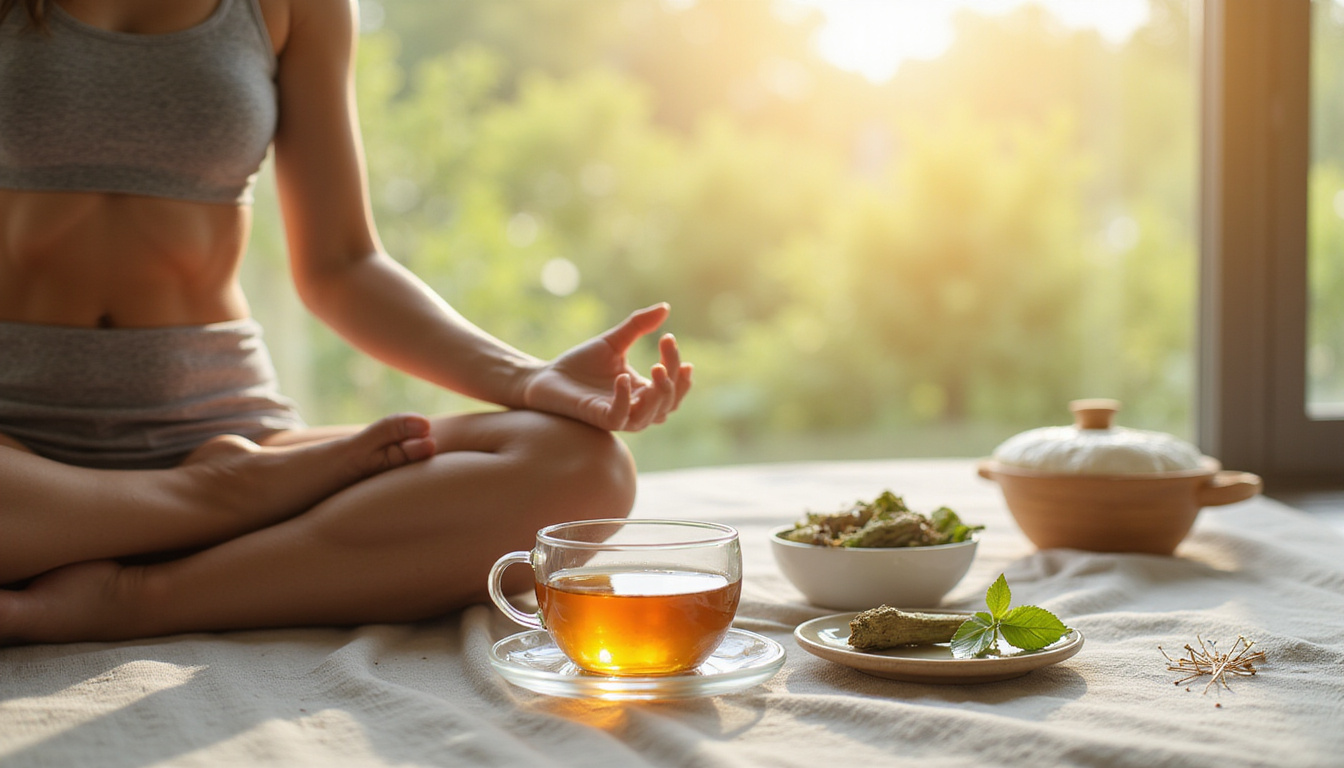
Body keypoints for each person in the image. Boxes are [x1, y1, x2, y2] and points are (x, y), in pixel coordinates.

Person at [0, 0, 692, 645]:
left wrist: (531, 379)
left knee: (581, 467)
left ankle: (141, 595)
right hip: (19, 443)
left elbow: (342, 264)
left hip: (227, 431)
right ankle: (210, 501)